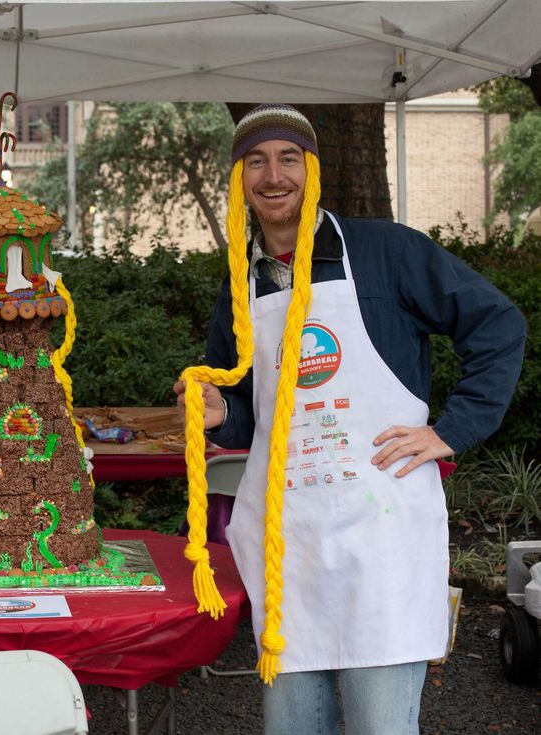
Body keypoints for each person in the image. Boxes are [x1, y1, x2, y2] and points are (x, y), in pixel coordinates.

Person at [175, 104, 525, 735]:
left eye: (287, 158)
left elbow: (497, 323)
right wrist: (220, 413)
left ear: (312, 171)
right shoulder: (240, 285)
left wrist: (452, 430)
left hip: (380, 536)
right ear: (238, 178)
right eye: (255, 160)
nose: (272, 174)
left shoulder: (385, 252)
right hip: (292, 546)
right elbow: (255, 419)